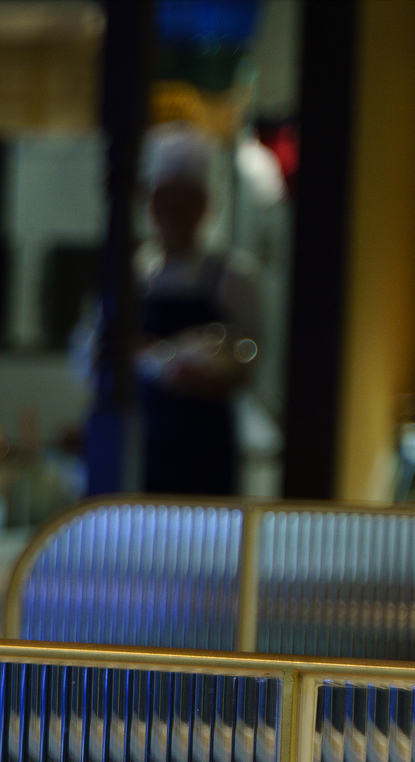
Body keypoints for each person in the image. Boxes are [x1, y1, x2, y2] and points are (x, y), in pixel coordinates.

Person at [131, 123, 262, 495]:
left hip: (207, 451)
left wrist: (214, 376)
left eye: (185, 202)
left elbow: (251, 358)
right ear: (150, 205)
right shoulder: (133, 277)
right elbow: (94, 353)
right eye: (165, 202)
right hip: (144, 448)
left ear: (205, 205)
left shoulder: (234, 278)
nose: (174, 214)